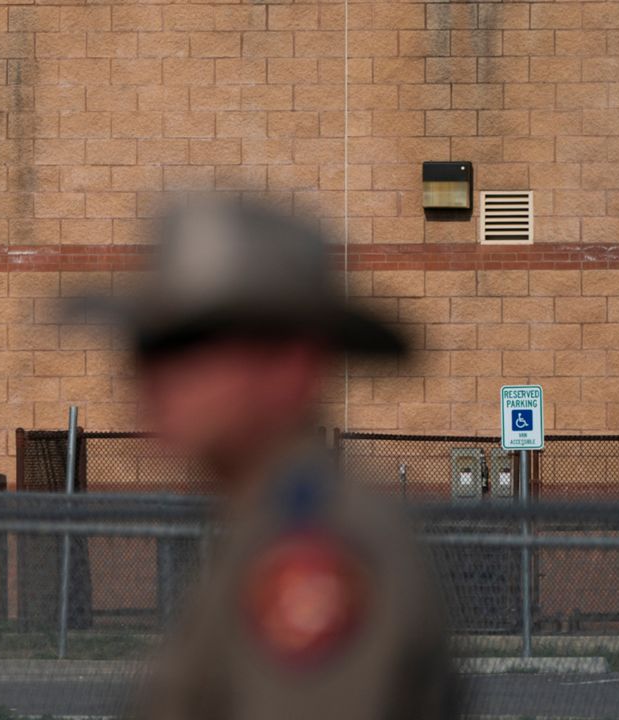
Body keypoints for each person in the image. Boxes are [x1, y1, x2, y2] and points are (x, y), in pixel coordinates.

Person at [78, 198, 458, 720]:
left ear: (291, 365)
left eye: (188, 344)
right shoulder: (265, 528)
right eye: (146, 345)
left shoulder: (314, 557)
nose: (150, 376)